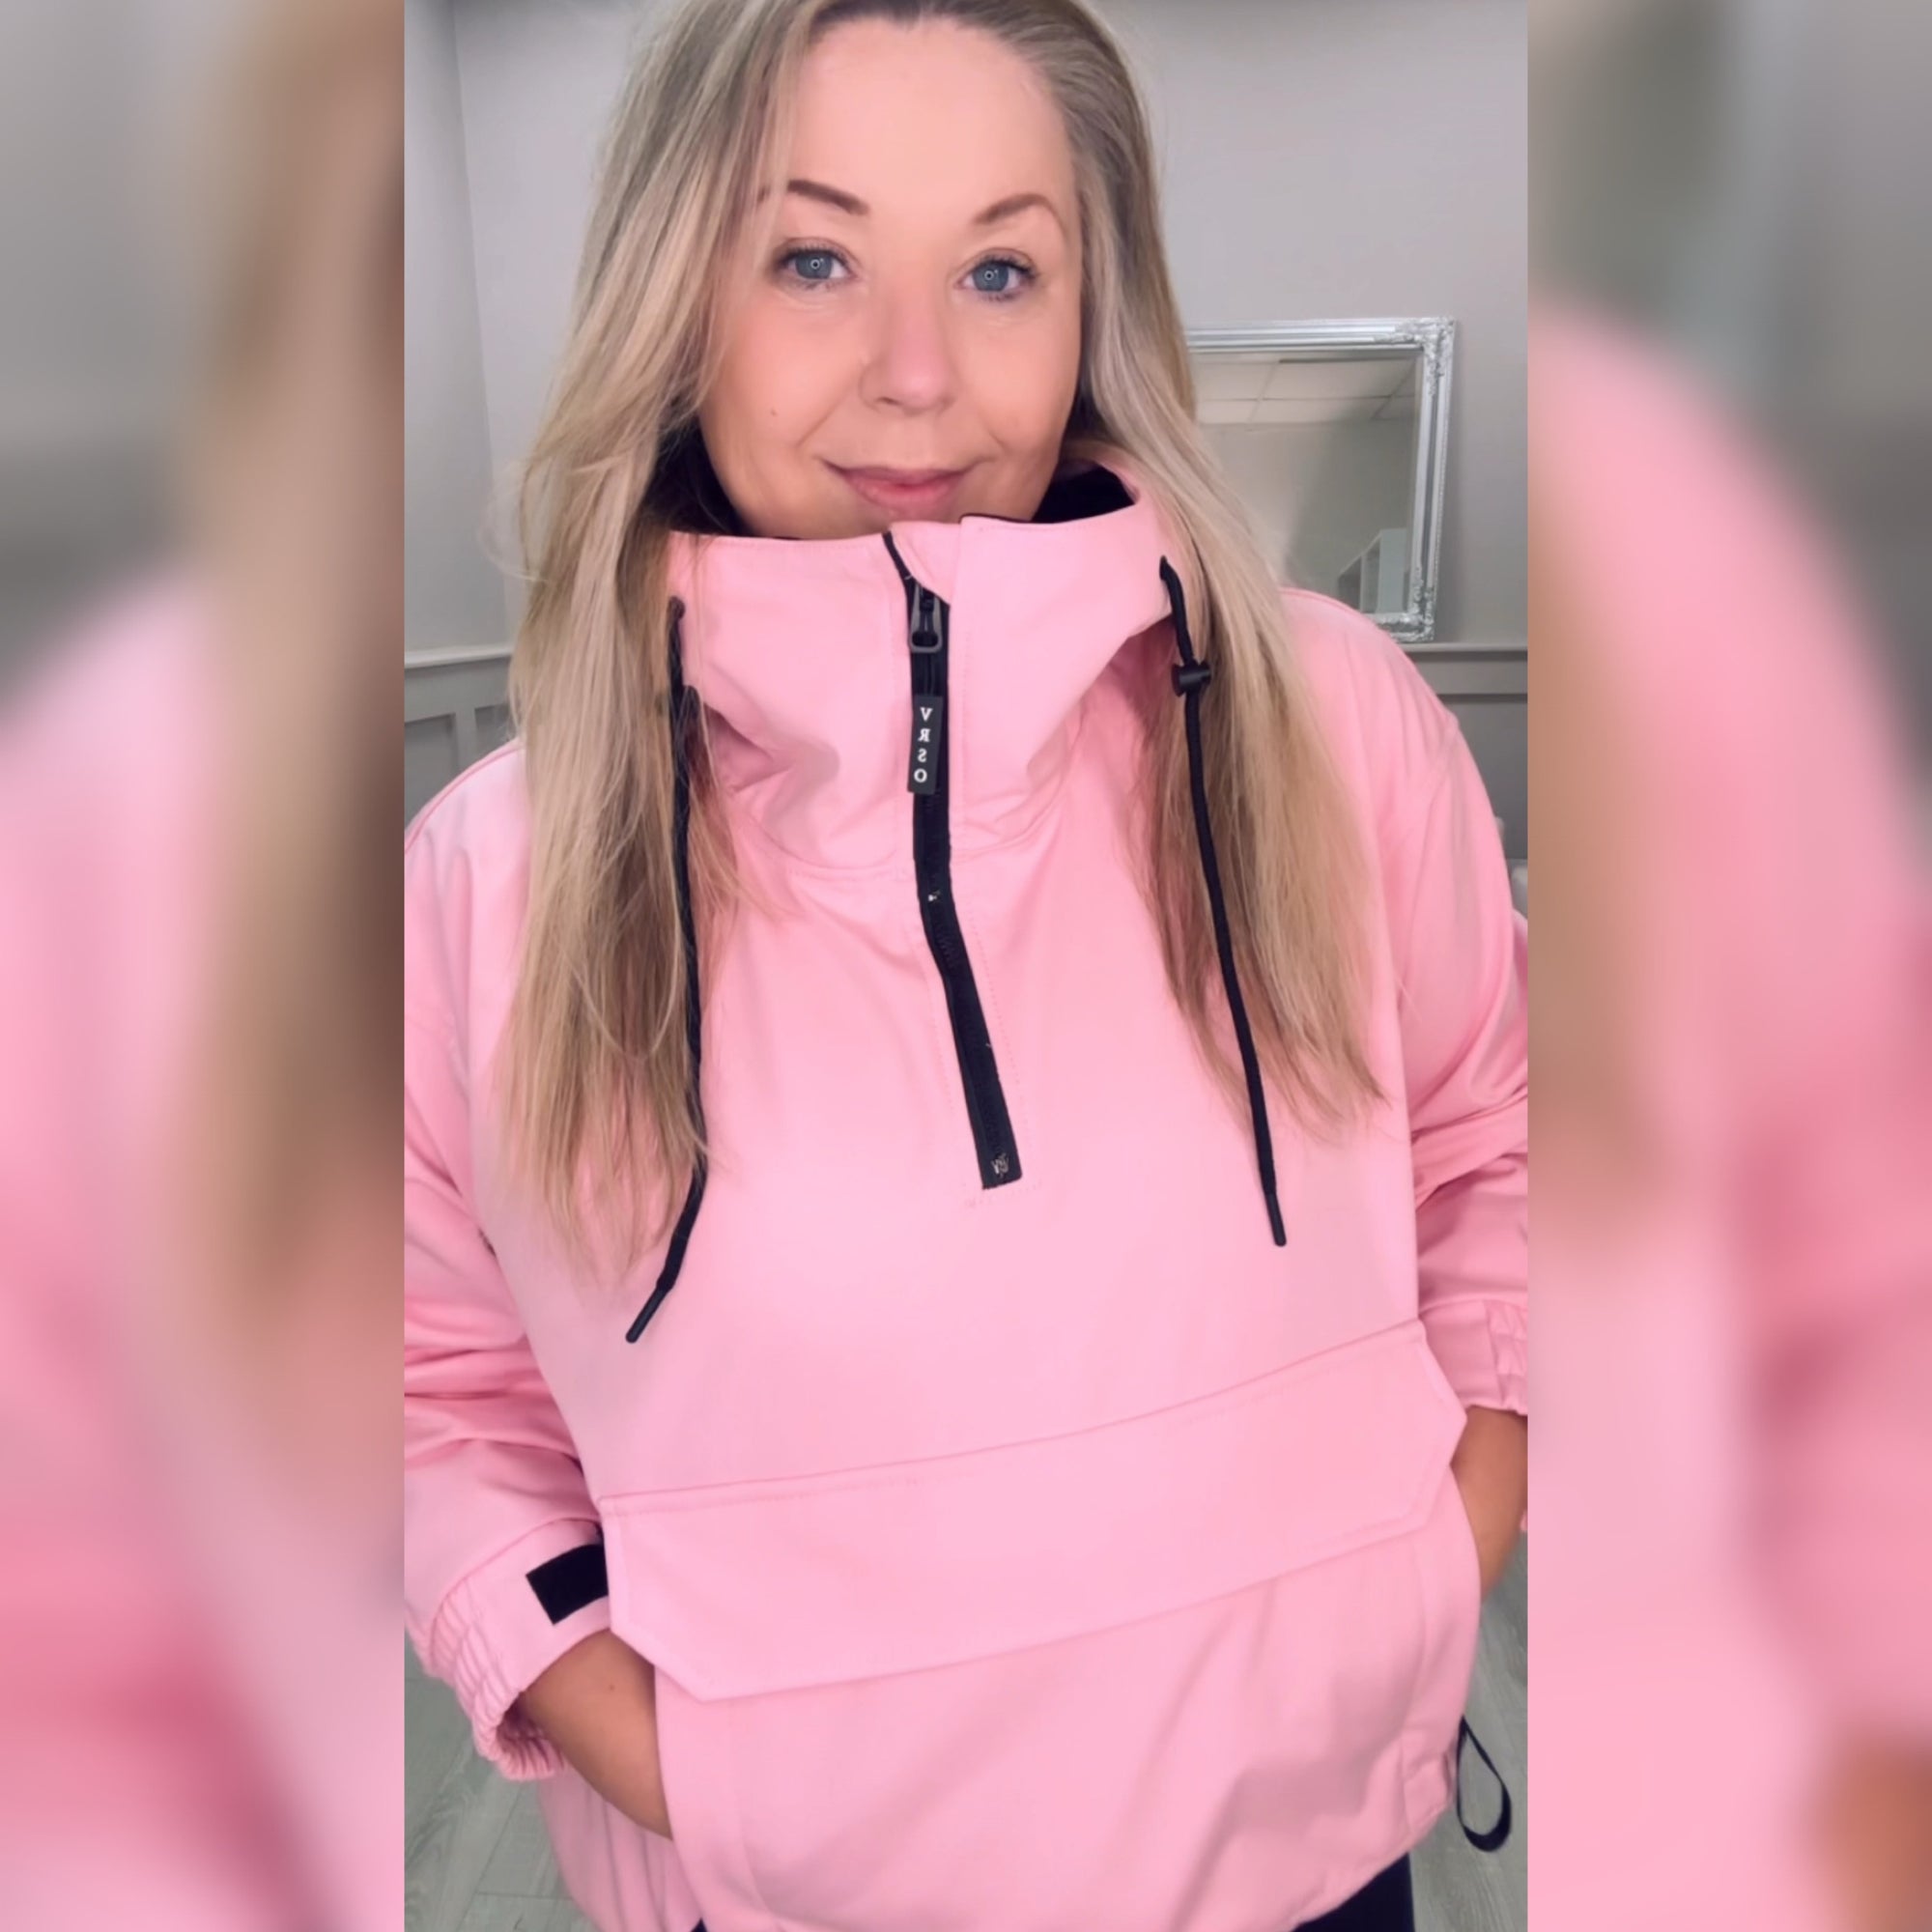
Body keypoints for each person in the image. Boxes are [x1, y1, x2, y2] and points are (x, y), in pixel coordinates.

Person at [402, 3, 1527, 1929]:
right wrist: (663, 1753)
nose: (918, 376)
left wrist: (1435, 1563)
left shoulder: (1331, 726)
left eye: (1001, 270)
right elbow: (435, 1383)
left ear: (1093, 311)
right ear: (676, 294)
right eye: (812, 259)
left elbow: (1497, 1157)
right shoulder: (486, 875)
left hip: (1313, 1864)